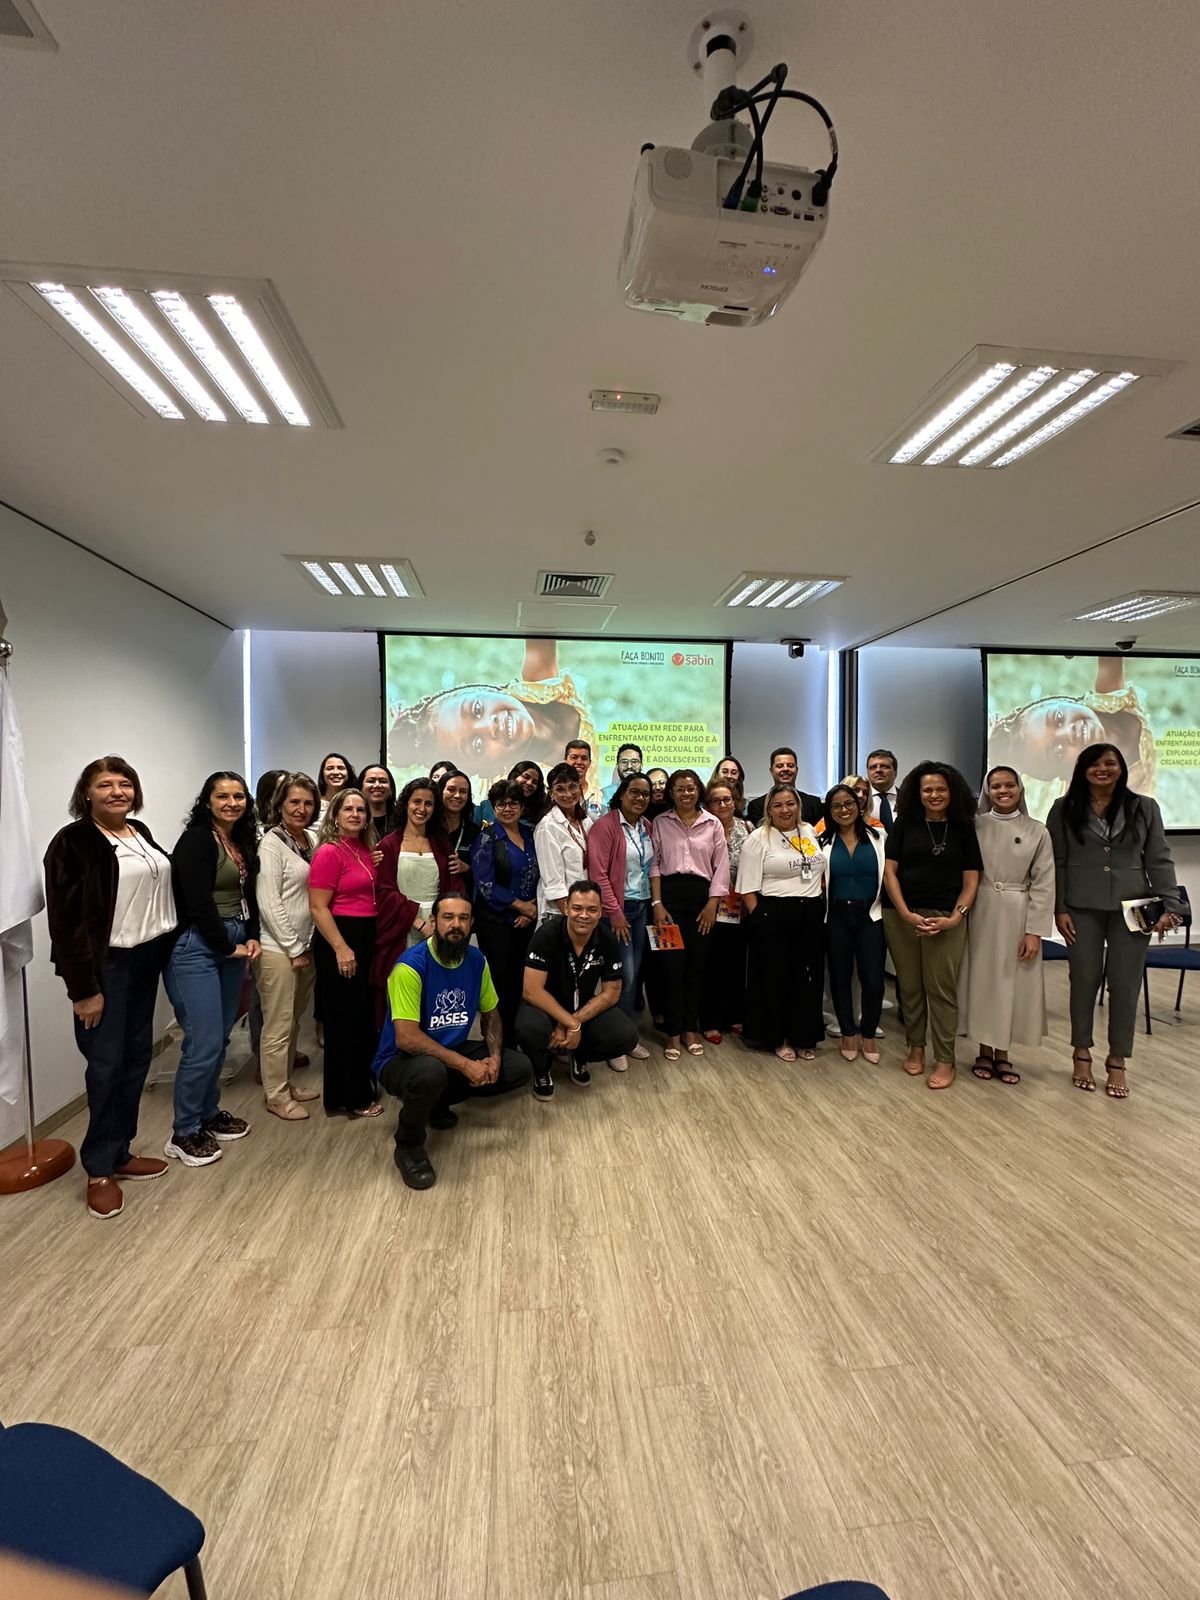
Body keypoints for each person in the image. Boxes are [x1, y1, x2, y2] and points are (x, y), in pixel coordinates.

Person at [44, 757, 177, 1218]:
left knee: (137, 1058)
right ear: (87, 792)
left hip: (145, 961)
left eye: (125, 784)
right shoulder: (73, 842)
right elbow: (65, 923)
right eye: (105, 784)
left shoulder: (139, 832)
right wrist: (83, 989)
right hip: (106, 968)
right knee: (105, 1066)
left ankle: (120, 1151)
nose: (117, 792)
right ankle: (98, 1168)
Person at [1046, 743, 1180, 1099]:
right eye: (1094, 764)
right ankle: (1081, 1052)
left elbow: (1158, 859)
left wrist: (1171, 905)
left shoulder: (1144, 807)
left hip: (1134, 908)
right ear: (1083, 770)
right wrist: (1059, 908)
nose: (1102, 769)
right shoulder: (1063, 808)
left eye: (1110, 763)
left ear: (1122, 768)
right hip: (1081, 907)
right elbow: (1057, 862)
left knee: (1125, 983)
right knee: (1084, 980)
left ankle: (1118, 1059)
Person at [372, 893, 532, 1189]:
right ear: (434, 922)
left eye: (463, 918)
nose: (456, 924)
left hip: (448, 1051)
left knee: (518, 1067)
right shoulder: (410, 967)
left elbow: (491, 1013)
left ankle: (437, 1102)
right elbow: (407, 1038)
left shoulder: (476, 960)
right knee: (430, 1073)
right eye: (448, 917)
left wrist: (495, 1056)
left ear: (471, 924)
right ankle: (408, 1145)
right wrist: (465, 1065)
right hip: (399, 1060)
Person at [163, 771, 259, 1165]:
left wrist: (251, 936)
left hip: (232, 940)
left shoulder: (238, 840)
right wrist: (227, 945)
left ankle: (207, 1113)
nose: (232, 803)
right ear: (207, 801)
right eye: (223, 796)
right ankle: (183, 1131)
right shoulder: (197, 840)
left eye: (239, 796)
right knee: (202, 1042)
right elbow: (197, 901)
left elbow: (247, 894)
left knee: (219, 1038)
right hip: (197, 947)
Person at [882, 762, 982, 1089]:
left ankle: (945, 1059)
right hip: (902, 916)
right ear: (918, 793)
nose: (934, 795)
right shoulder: (904, 824)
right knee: (910, 988)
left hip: (946, 918)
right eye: (928, 790)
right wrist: (904, 912)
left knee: (942, 990)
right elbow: (890, 872)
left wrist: (956, 917)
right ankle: (916, 1048)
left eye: (941, 789)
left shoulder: (963, 828)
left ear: (952, 792)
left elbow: (971, 880)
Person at [387, 639, 597, 795]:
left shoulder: (543, 687)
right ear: (489, 769)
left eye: (477, 709)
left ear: (487, 689)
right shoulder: (533, 791)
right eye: (477, 745)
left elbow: (540, 615)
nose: (490, 726)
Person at [960, 767, 1054, 1085]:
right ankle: (984, 1050)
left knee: (1011, 983)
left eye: (1009, 785)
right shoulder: (975, 826)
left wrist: (1034, 931)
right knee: (983, 981)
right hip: (981, 909)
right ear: (988, 791)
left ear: (1019, 789)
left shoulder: (1037, 831)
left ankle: (1003, 1053)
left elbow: (1044, 884)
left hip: (1017, 912)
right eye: (996, 786)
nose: (1003, 791)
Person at [988, 656, 1156, 816]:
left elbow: (1111, 652)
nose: (1069, 733)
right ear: (1068, 775)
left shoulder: (1109, 702)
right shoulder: (1100, 798)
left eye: (1059, 718)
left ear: (1067, 701)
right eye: (1059, 750)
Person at [517, 879, 640, 1095]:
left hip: (582, 1009)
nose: (584, 915)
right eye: (577, 908)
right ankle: (542, 1068)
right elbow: (531, 991)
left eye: (591, 909)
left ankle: (579, 1055)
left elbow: (612, 993)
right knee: (528, 1028)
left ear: (600, 911)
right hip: (544, 1007)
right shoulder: (546, 934)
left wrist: (574, 1022)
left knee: (626, 1035)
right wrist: (570, 1023)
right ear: (566, 908)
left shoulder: (607, 938)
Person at [307, 788, 384, 1117]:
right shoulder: (329, 852)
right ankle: (347, 1099)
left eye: (360, 810)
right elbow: (318, 907)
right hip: (341, 937)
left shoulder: (365, 850)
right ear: (335, 816)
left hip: (365, 936)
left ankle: (360, 1086)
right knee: (344, 1022)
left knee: (361, 1018)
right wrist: (341, 948)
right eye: (348, 809)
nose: (355, 814)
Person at [737, 785, 828, 1061]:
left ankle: (804, 1036)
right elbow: (746, 887)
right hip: (773, 914)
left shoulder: (809, 831)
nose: (785, 810)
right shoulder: (758, 838)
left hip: (810, 914)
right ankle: (779, 1037)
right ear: (769, 809)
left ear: (799, 806)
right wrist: (761, 919)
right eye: (778, 805)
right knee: (775, 980)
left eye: (790, 804)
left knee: (807, 980)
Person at [650, 769, 730, 1060]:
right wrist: (657, 904)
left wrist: (712, 905)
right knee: (669, 969)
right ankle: (672, 1033)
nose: (686, 793)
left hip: (701, 903)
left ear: (699, 791)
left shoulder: (712, 824)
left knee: (697, 968)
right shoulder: (660, 822)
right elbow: (654, 864)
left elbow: (721, 866)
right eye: (680, 788)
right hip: (667, 902)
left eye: (691, 788)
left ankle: (690, 1028)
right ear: (671, 793)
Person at [256, 771, 321, 1120]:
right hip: (279, 949)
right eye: (294, 802)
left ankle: (285, 1083)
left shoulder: (310, 838)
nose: (301, 809)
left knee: (294, 1020)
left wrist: (304, 947)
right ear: (279, 804)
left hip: (305, 946)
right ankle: (276, 1095)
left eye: (308, 803)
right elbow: (269, 903)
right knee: (278, 1025)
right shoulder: (271, 843)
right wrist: (293, 948)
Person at [585, 772, 654, 1058]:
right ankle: (616, 1043)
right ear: (622, 794)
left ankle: (625, 1037)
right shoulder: (605, 826)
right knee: (622, 974)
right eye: (634, 792)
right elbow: (598, 874)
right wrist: (614, 912)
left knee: (633, 974)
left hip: (642, 907)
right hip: (619, 911)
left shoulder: (647, 826)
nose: (640, 798)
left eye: (645, 794)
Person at [820, 785, 887, 1064]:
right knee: (840, 976)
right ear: (829, 811)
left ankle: (868, 1034)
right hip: (836, 917)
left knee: (873, 979)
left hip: (870, 916)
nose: (844, 810)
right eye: (836, 806)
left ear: (859, 806)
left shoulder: (879, 837)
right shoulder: (822, 842)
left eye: (849, 803)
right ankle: (848, 1032)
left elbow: (890, 876)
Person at [471, 780, 540, 1044]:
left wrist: (533, 908)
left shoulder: (531, 834)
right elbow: (485, 885)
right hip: (496, 923)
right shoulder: (486, 838)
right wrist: (522, 906)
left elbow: (542, 875)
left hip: (528, 921)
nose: (507, 809)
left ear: (522, 806)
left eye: (513, 803)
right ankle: (499, 1044)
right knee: (499, 985)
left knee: (522, 983)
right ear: (493, 807)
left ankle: (516, 1038)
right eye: (501, 804)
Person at [699, 779, 753, 1043]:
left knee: (737, 963)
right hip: (709, 906)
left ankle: (735, 1016)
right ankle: (711, 1020)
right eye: (716, 801)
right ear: (707, 805)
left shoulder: (748, 828)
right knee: (712, 964)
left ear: (735, 801)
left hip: (740, 906)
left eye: (727, 799)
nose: (722, 804)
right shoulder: (703, 828)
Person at [534, 762, 592, 919]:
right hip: (560, 910)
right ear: (551, 793)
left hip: (584, 904)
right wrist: (569, 913)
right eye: (560, 789)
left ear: (580, 787)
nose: (568, 794)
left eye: (572, 787)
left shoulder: (586, 821)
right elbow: (552, 877)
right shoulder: (547, 826)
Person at [746, 747, 822, 826]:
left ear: (796, 770)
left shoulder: (813, 804)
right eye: (780, 766)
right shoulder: (756, 806)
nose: (785, 769)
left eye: (790, 766)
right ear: (771, 771)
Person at [437, 768, 481, 888]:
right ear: (440, 792)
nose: (457, 795)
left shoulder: (474, 832)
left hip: (461, 895)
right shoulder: (428, 828)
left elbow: (483, 872)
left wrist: (466, 867)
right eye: (451, 790)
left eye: (463, 791)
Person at [360, 763, 397, 843]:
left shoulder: (401, 820)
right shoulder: (354, 818)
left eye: (383, 781)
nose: (377, 785)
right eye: (371, 781)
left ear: (391, 789)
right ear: (360, 788)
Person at [315, 752, 356, 820]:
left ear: (348, 773)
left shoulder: (357, 802)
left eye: (340, 768)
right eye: (330, 768)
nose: (335, 772)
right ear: (322, 774)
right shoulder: (314, 803)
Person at [864, 750, 900, 826]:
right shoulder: (860, 801)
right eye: (873, 767)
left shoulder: (908, 799)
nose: (878, 770)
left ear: (895, 772)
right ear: (868, 773)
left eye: (884, 766)